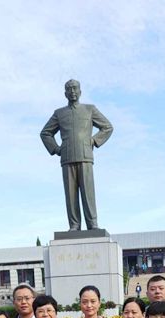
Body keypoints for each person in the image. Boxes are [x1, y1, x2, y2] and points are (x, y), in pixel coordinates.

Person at [40, 79, 113, 231]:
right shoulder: (59, 113)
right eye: (69, 89)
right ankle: (74, 225)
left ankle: (92, 224)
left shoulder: (89, 109)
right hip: (67, 157)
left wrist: (94, 140)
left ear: (80, 92)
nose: (72, 91)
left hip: (85, 156)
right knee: (71, 195)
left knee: (88, 192)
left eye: (75, 88)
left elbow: (107, 127)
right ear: (65, 93)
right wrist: (56, 149)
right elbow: (45, 133)